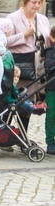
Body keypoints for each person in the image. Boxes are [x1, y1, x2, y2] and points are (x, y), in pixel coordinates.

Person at [6, 0, 50, 132]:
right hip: (19, 68)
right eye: (33, 2)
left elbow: (48, 41)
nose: (36, 6)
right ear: (25, 1)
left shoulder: (42, 19)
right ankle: (3, 134)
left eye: (39, 2)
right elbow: (4, 42)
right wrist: (24, 34)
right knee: (11, 103)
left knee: (28, 102)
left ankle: (22, 137)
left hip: (37, 68)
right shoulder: (12, 18)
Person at [44, 27, 55, 155]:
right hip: (52, 87)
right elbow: (49, 66)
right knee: (52, 114)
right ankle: (50, 142)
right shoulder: (50, 51)